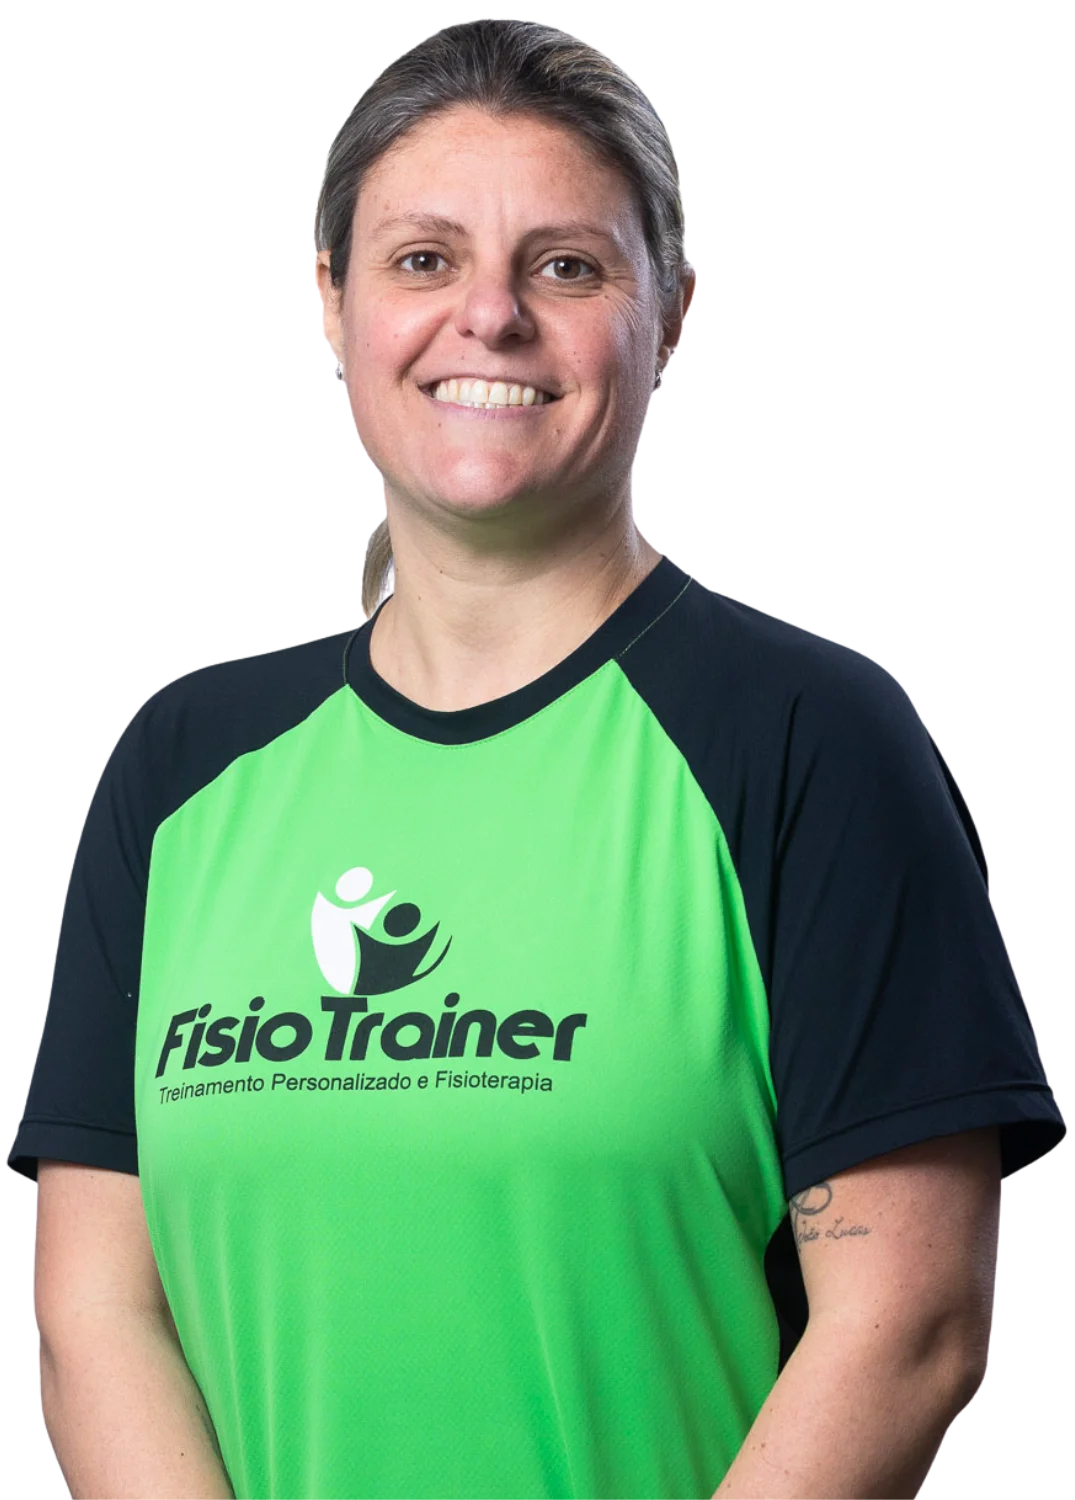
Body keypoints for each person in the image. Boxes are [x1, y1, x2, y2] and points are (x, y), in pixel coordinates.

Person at [14, 18, 1067, 1500]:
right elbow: (95, 1316)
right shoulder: (180, 766)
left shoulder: (809, 739)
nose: (490, 317)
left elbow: (907, 1328)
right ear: (331, 304)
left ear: (671, 315)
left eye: (565, 266)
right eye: (423, 259)